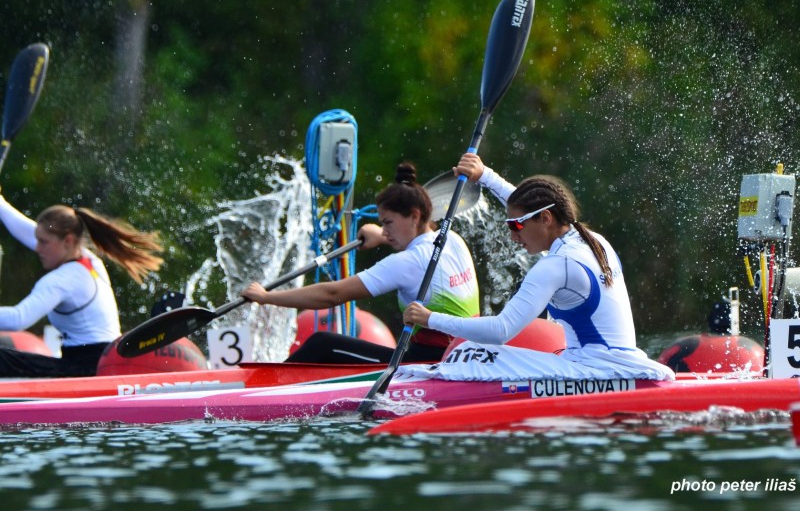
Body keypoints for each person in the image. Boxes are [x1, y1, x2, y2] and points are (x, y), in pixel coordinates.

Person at [400, 153, 675, 381]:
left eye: (516, 226)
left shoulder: (557, 265)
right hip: (614, 364)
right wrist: (485, 175)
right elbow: (523, 205)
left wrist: (429, 318)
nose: (512, 235)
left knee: (474, 350)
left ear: (545, 219)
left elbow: (500, 330)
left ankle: (407, 382)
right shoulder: (592, 241)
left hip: (595, 372)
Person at [241, 162, 480, 364]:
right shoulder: (452, 240)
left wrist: (266, 297)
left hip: (427, 363)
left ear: (415, 216)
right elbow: (422, 252)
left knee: (322, 344)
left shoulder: (406, 262)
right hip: (466, 354)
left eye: (388, 223)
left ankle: (263, 389)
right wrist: (382, 235)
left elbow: (332, 293)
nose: (385, 231)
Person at [0, 195, 163, 377]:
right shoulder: (90, 261)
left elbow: (17, 319)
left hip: (84, 371)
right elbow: (31, 233)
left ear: (68, 241)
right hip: (106, 365)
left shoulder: (62, 280)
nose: (37, 248)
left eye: (43, 242)